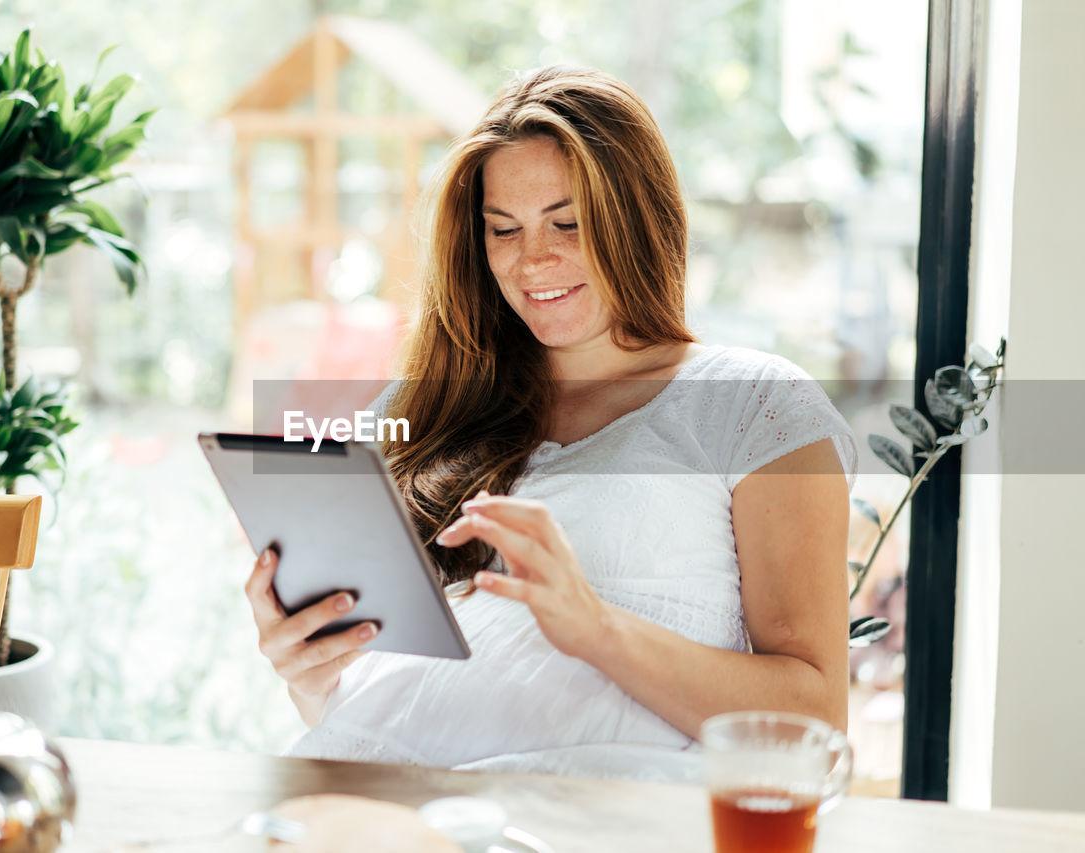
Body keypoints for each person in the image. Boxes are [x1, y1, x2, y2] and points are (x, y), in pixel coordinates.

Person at [244, 65, 856, 781]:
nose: (533, 258)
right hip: (385, 800)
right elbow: (380, 701)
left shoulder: (756, 403)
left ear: (639, 217)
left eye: (567, 222)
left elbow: (813, 719)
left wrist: (596, 628)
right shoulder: (421, 411)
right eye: (503, 229)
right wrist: (309, 669)